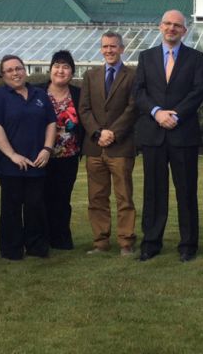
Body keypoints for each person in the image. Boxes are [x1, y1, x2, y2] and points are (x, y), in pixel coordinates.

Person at [134, 10, 203, 263]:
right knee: (153, 192)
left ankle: (188, 245)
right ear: (160, 26)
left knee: (186, 191)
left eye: (177, 25)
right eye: (167, 23)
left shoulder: (196, 58)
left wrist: (174, 114)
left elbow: (199, 91)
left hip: (183, 133)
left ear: (184, 31)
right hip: (153, 135)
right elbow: (139, 92)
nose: (172, 28)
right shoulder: (146, 57)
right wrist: (156, 113)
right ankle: (151, 242)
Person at [0, 55, 56, 260]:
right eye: (9, 70)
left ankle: (36, 245)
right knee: (11, 206)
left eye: (18, 68)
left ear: (24, 71)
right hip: (10, 163)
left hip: (37, 160)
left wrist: (47, 149)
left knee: (35, 204)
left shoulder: (39, 94)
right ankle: (11, 248)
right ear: (2, 75)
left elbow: (51, 123)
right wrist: (12, 155)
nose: (15, 73)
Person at [79, 32, 138, 256]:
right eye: (105, 47)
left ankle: (126, 242)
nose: (109, 50)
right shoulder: (90, 75)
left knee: (124, 197)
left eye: (113, 46)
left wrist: (112, 133)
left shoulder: (132, 75)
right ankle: (100, 242)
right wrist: (97, 133)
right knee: (96, 197)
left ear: (122, 49)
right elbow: (84, 108)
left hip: (120, 146)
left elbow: (133, 108)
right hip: (94, 147)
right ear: (100, 49)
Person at [38, 50, 83, 250]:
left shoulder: (78, 94)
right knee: (41, 197)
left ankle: (61, 238)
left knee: (63, 198)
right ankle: (42, 238)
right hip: (41, 154)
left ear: (72, 72)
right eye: (57, 66)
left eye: (66, 67)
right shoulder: (37, 92)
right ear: (50, 70)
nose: (60, 70)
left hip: (69, 154)